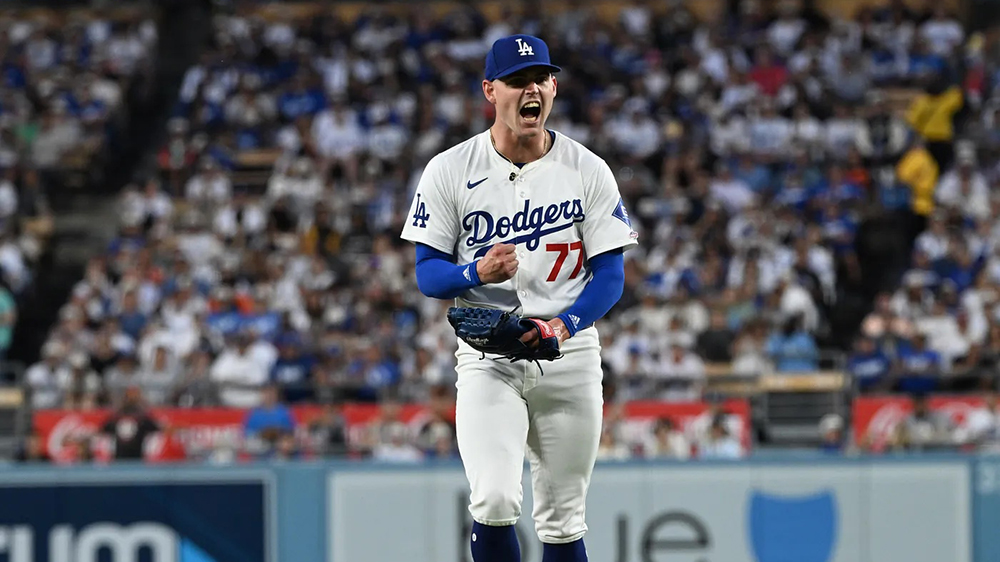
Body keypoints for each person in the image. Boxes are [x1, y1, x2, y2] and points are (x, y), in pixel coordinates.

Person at [400, 34, 638, 562]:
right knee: (494, 497)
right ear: (490, 90)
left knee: (563, 519)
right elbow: (427, 275)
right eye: (516, 81)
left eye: (541, 79)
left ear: (553, 88)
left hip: (568, 353)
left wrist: (567, 324)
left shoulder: (588, 169)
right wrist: (474, 270)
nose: (531, 89)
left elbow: (610, 276)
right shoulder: (450, 169)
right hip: (491, 355)